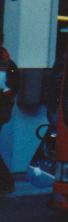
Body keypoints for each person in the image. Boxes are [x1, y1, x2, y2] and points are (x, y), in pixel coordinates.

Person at [0, 35, 19, 194]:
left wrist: (6, 92)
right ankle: (6, 182)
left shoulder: (7, 64)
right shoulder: (8, 62)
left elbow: (13, 87)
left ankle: (6, 182)